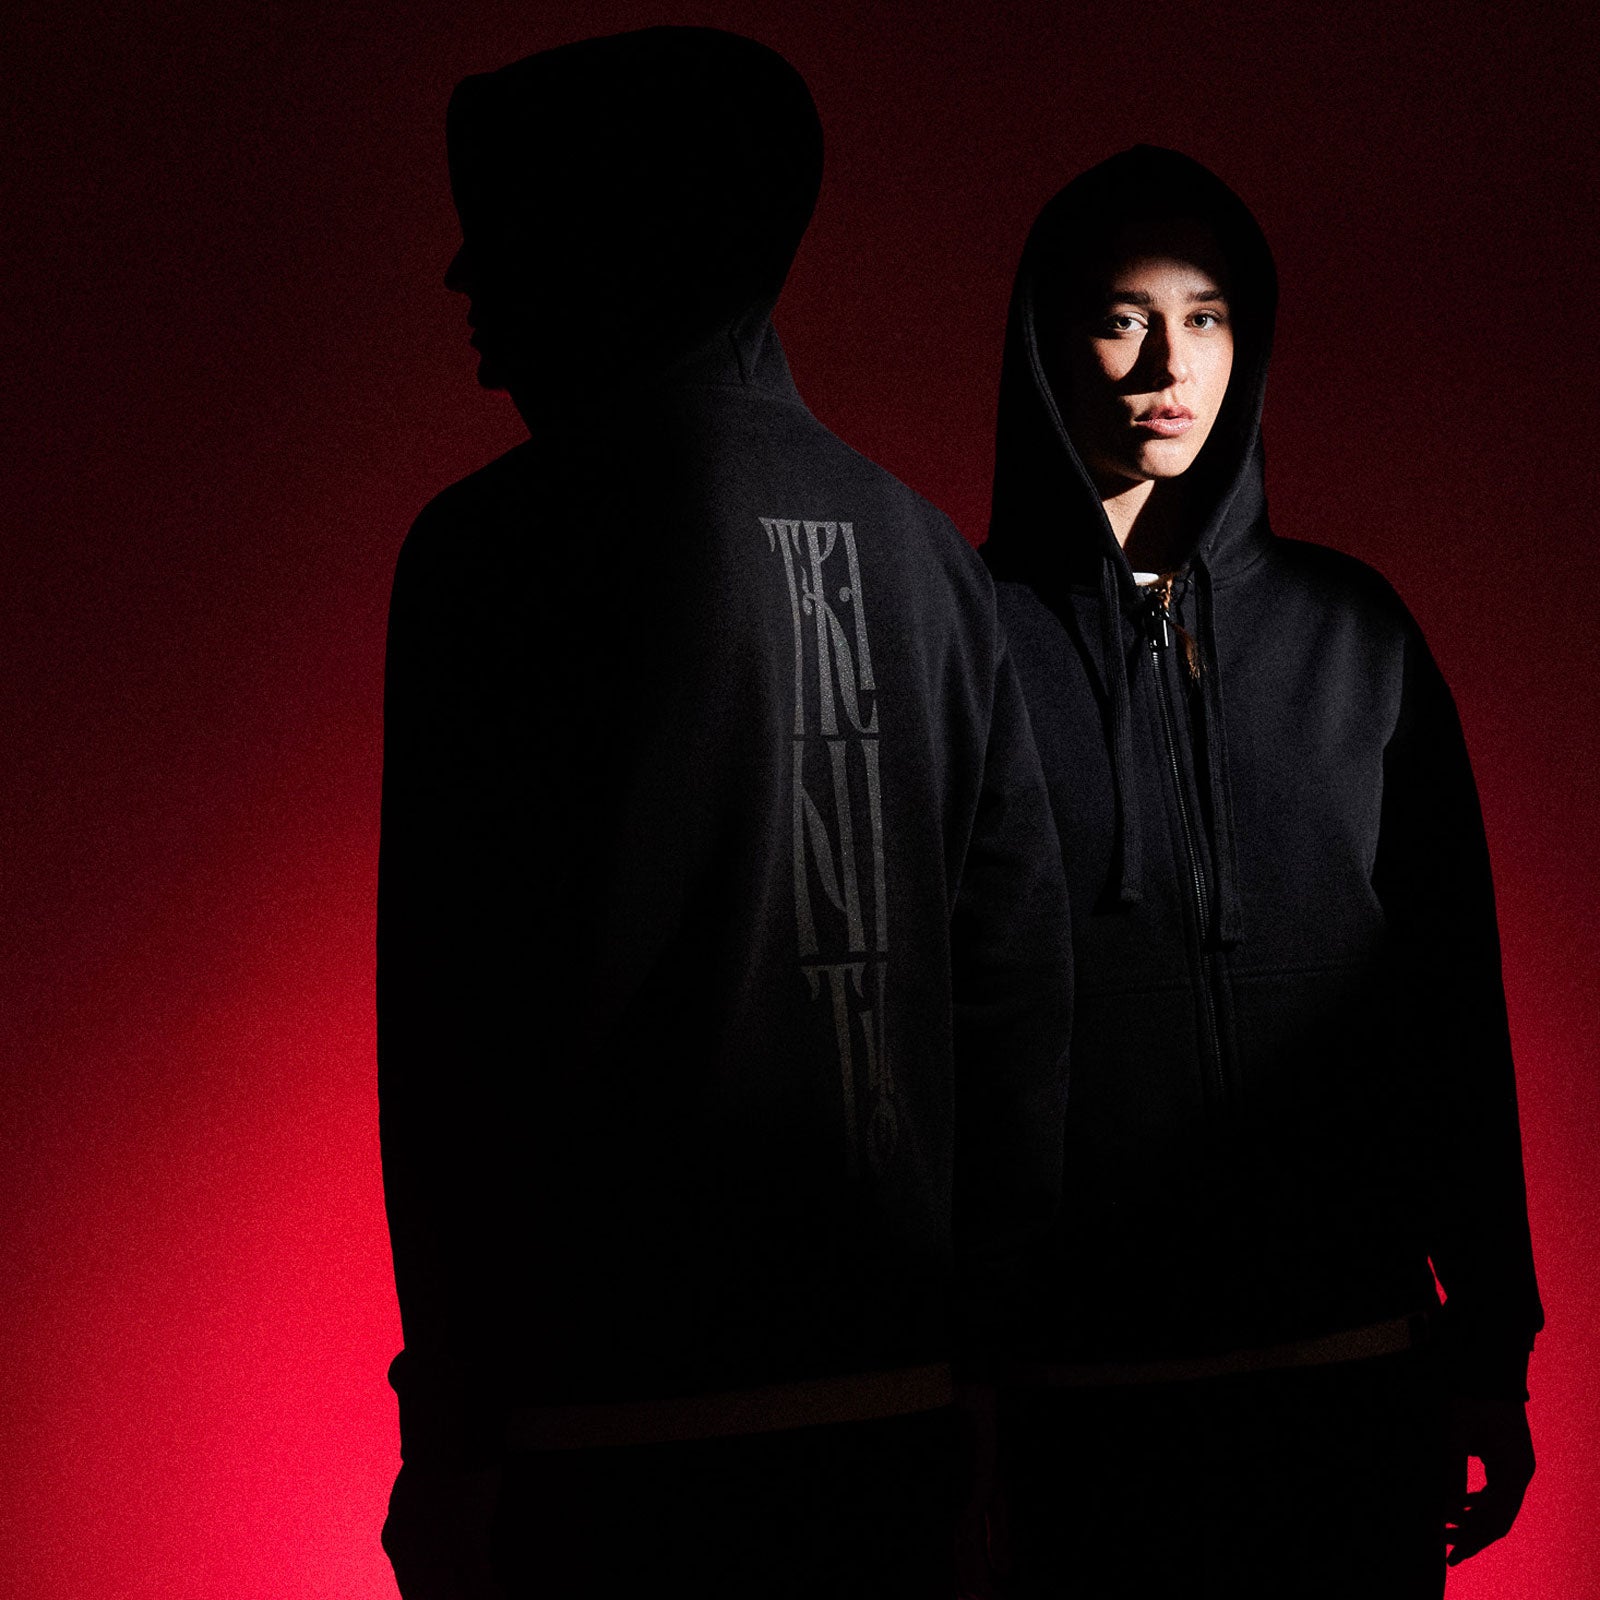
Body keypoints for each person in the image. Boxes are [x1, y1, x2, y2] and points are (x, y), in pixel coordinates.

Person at [375, 27, 1073, 1598]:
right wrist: (980, 1384)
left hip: (597, 1451)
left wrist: (455, 1433)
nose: (460, 273)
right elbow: (1019, 1015)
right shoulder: (931, 563)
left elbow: (453, 1034)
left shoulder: (493, 554)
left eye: (504, 218)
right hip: (893, 1431)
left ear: (620, 236)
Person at [981, 145, 1542, 1597]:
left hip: (1350, 1378)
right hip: (1069, 1402)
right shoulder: (962, 640)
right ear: (1048, 340)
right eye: (1122, 318)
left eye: (1207, 317)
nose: (1167, 364)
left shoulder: (1356, 635)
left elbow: (1452, 1003)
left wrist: (1493, 1346)